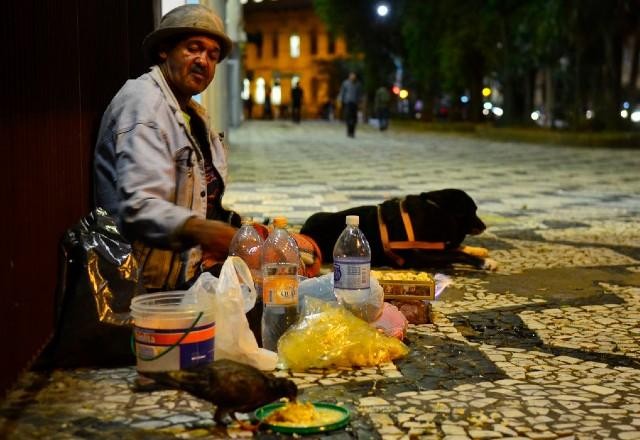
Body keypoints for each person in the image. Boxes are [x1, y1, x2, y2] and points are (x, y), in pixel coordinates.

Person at [93, 4, 240, 291]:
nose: (204, 61)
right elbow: (140, 208)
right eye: (194, 48)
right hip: (146, 285)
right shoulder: (143, 103)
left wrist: (241, 230)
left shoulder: (194, 114)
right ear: (164, 50)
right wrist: (208, 232)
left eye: (212, 55)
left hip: (185, 273)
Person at [338, 72, 362, 137]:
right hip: (347, 102)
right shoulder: (345, 83)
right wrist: (340, 100)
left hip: (355, 103)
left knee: (354, 118)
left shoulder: (358, 84)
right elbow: (342, 92)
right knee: (348, 117)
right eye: (352, 75)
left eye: (354, 76)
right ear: (349, 76)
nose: (353, 77)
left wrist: (360, 102)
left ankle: (352, 132)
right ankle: (349, 131)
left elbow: (359, 94)